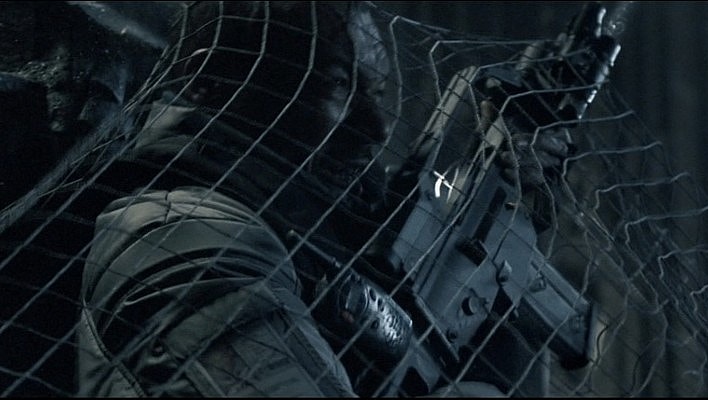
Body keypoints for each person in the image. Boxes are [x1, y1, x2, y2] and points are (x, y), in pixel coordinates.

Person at [70, 1, 577, 396]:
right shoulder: (182, 231)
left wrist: (496, 222)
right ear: (215, 80)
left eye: (376, 93)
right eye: (336, 84)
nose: (376, 128)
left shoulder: (326, 233)